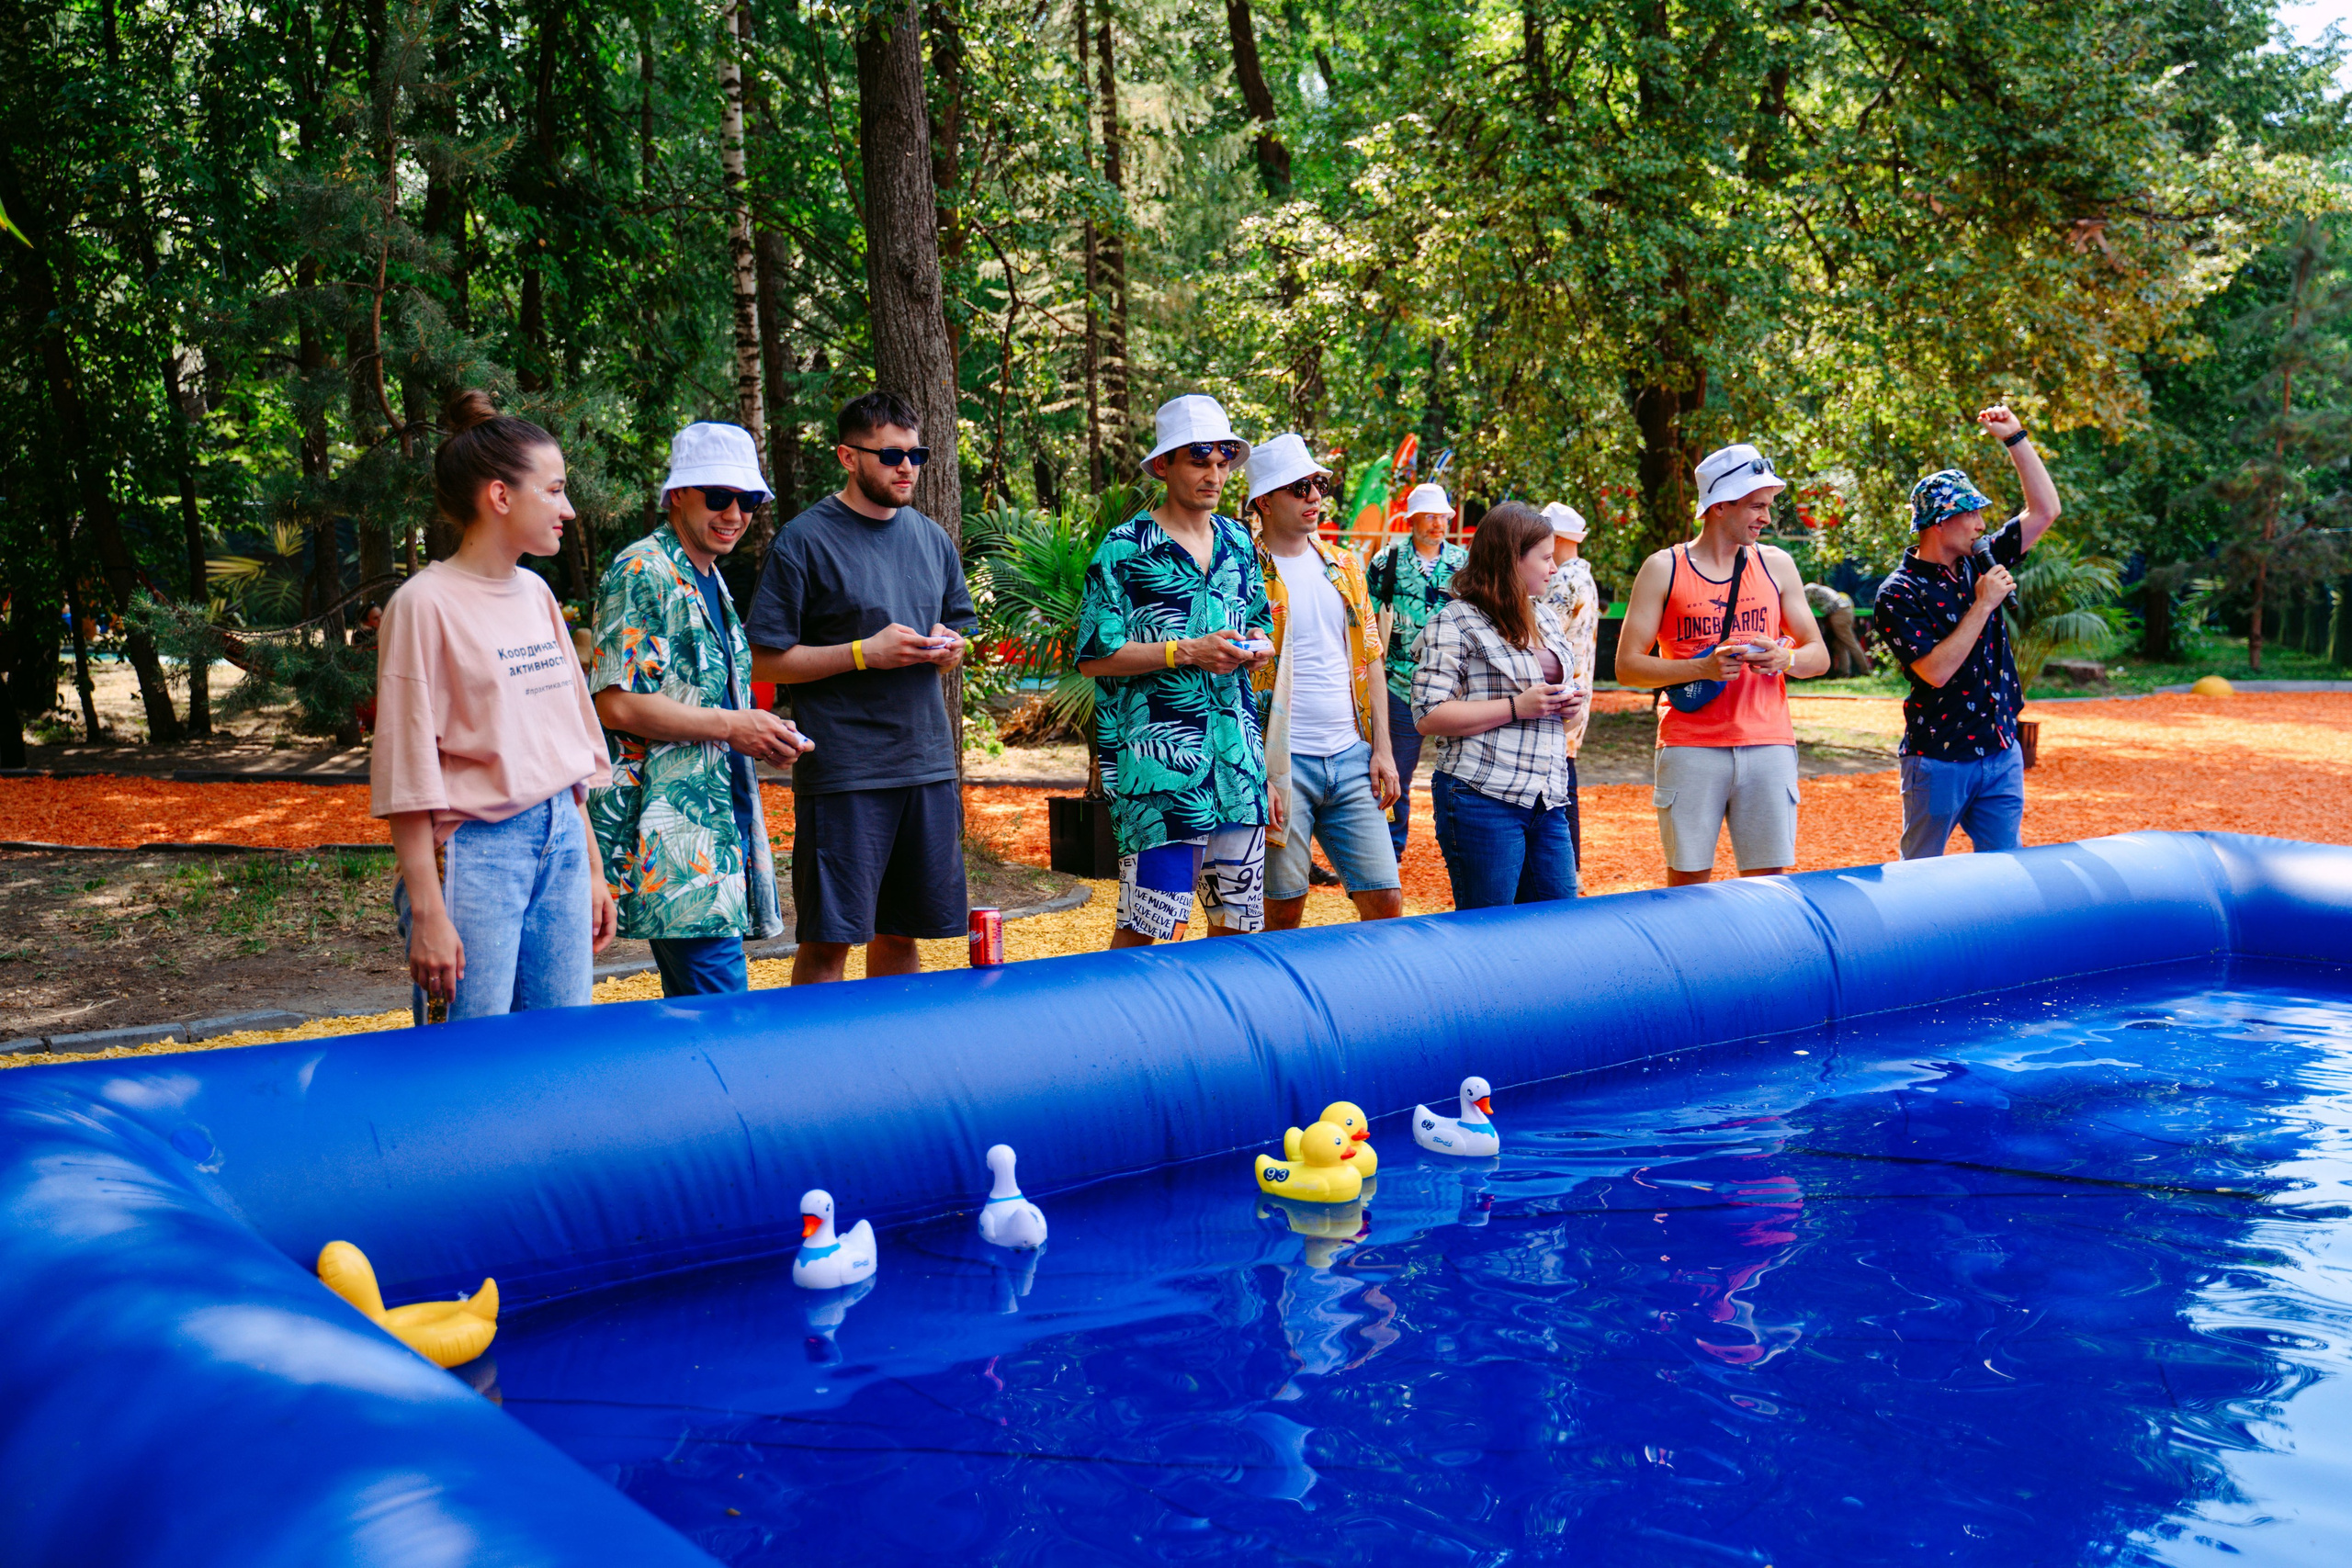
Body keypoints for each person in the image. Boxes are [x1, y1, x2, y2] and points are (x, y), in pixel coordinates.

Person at [371, 389, 617, 1023]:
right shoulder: (422, 605)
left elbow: (565, 748)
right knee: (468, 1059)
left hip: (559, 837)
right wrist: (428, 912)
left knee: (561, 1046)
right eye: (554, 490)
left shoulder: (536, 593)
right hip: (476, 850)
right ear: (500, 497)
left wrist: (590, 867)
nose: (566, 508)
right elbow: (406, 775)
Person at [746, 390, 978, 984]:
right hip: (846, 771)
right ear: (847, 457)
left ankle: (893, 1069)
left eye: (916, 453)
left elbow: (959, 633)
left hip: (925, 763)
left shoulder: (932, 538)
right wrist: (862, 653)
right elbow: (763, 661)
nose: (907, 467)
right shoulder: (804, 540)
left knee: (902, 930)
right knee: (831, 939)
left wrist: (950, 651)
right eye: (891, 455)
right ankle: (817, 1068)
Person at [588, 422, 805, 998]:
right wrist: (734, 725)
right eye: (718, 496)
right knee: (722, 1012)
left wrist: (760, 732)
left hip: (714, 826)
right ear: (677, 494)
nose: (735, 512)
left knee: (700, 1015)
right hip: (675, 837)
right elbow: (615, 701)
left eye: (749, 499)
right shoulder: (643, 570)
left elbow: (704, 698)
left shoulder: (709, 575)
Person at [1076, 394, 1276, 947]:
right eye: (1199, 460)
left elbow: (1260, 624)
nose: (1215, 474)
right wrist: (1186, 651)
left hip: (1236, 766)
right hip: (1161, 775)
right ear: (1164, 465)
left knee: (1238, 932)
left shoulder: (1238, 542)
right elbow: (1093, 655)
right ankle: (1125, 1035)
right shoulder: (1123, 549)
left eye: (1222, 462)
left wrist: (1255, 646)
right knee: (1149, 931)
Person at [1614, 444, 1831, 886]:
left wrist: (1784, 658)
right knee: (1689, 887)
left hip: (1769, 745)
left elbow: (1818, 656)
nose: (1766, 518)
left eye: (1768, 506)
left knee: (1769, 887)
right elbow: (1627, 668)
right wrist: (1701, 669)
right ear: (1718, 505)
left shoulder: (1777, 565)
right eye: (1756, 505)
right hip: (1689, 747)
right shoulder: (1663, 568)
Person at [1871, 404, 2062, 859]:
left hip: (2001, 751)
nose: (1981, 524)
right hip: (1937, 758)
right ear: (1940, 522)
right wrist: (1983, 605)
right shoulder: (1898, 592)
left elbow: (2045, 510)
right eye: (1972, 513)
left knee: (2007, 871)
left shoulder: (1982, 559)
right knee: (1919, 873)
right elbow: (1935, 672)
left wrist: (2016, 438)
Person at [1245, 433, 1404, 930]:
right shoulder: (1243, 571)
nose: (1315, 496)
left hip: (1352, 757)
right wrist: (1255, 770)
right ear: (1264, 502)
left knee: (1386, 899)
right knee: (1282, 909)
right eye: (1299, 487)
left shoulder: (1346, 566)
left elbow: (1371, 659)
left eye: (1318, 484)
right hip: (1280, 764)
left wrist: (1383, 749)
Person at [1413, 502, 1589, 908]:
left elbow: (1554, 720)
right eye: (1545, 557)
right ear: (1512, 558)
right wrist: (1517, 706)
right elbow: (1428, 715)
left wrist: (1569, 707)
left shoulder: (1543, 616)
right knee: (1488, 934)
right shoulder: (1455, 621)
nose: (1553, 568)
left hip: (1547, 797)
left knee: (1560, 924)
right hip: (1482, 796)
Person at [1364, 483, 1467, 855]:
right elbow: (1367, 620)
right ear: (1412, 520)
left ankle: (1464, 847)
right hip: (1398, 684)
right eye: (1429, 516)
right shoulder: (1386, 561)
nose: (1438, 524)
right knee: (1396, 774)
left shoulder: (1463, 563)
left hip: (1453, 687)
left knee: (1463, 773)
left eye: (1443, 517)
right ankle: (1388, 852)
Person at [1540, 501, 1599, 880]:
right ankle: (1569, 869)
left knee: (1561, 786)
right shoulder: (1584, 577)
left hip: (1561, 694)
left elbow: (1539, 631)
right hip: (1577, 689)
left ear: (1556, 537)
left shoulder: (1562, 581)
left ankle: (1567, 870)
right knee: (1565, 779)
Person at [1805, 581, 1871, 678]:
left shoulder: (1808, 590)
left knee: (1851, 643)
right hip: (1845, 610)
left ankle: (1866, 671)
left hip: (1839, 612)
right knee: (1841, 645)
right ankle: (1844, 673)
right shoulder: (1817, 588)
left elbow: (1805, 606)